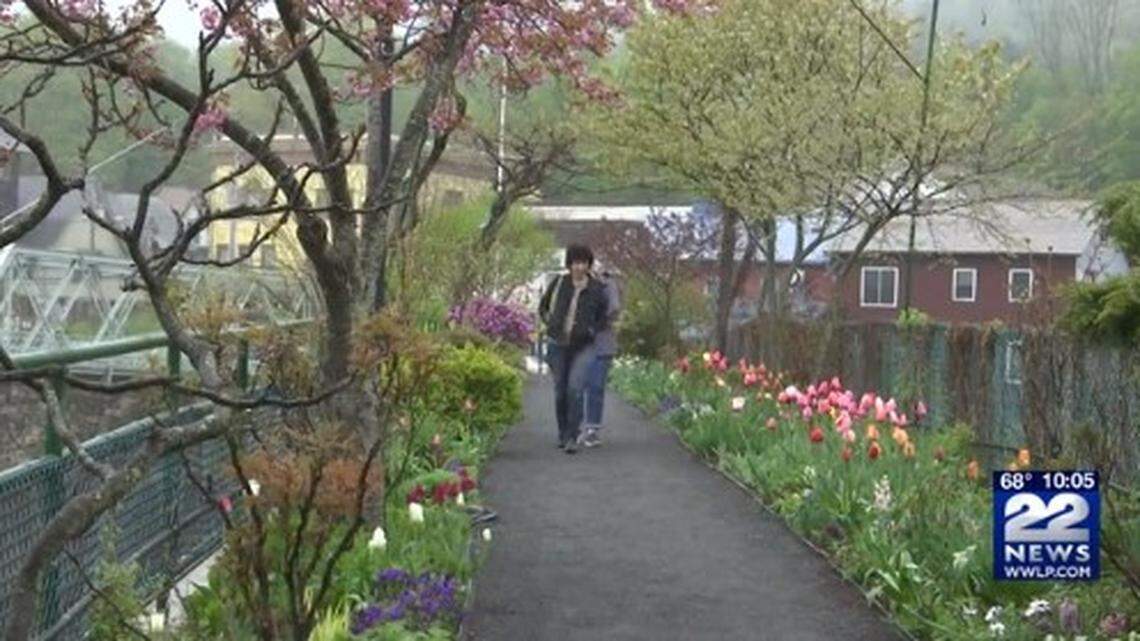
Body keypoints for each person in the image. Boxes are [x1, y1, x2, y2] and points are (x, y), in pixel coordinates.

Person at [538, 245, 608, 455]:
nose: (579, 267)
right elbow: (543, 307)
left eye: (583, 263)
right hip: (557, 343)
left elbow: (603, 316)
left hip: (583, 346)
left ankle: (572, 435)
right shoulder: (559, 283)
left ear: (588, 264)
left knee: (575, 389)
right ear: (569, 264)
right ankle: (563, 433)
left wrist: (591, 330)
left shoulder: (597, 288)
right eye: (576, 262)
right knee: (560, 391)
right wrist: (550, 324)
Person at [580, 268, 620, 448]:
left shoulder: (607, 284)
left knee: (595, 386)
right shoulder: (574, 283)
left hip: (602, 344)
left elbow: (614, 308)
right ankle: (576, 428)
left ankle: (592, 429)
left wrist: (597, 323)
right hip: (578, 345)